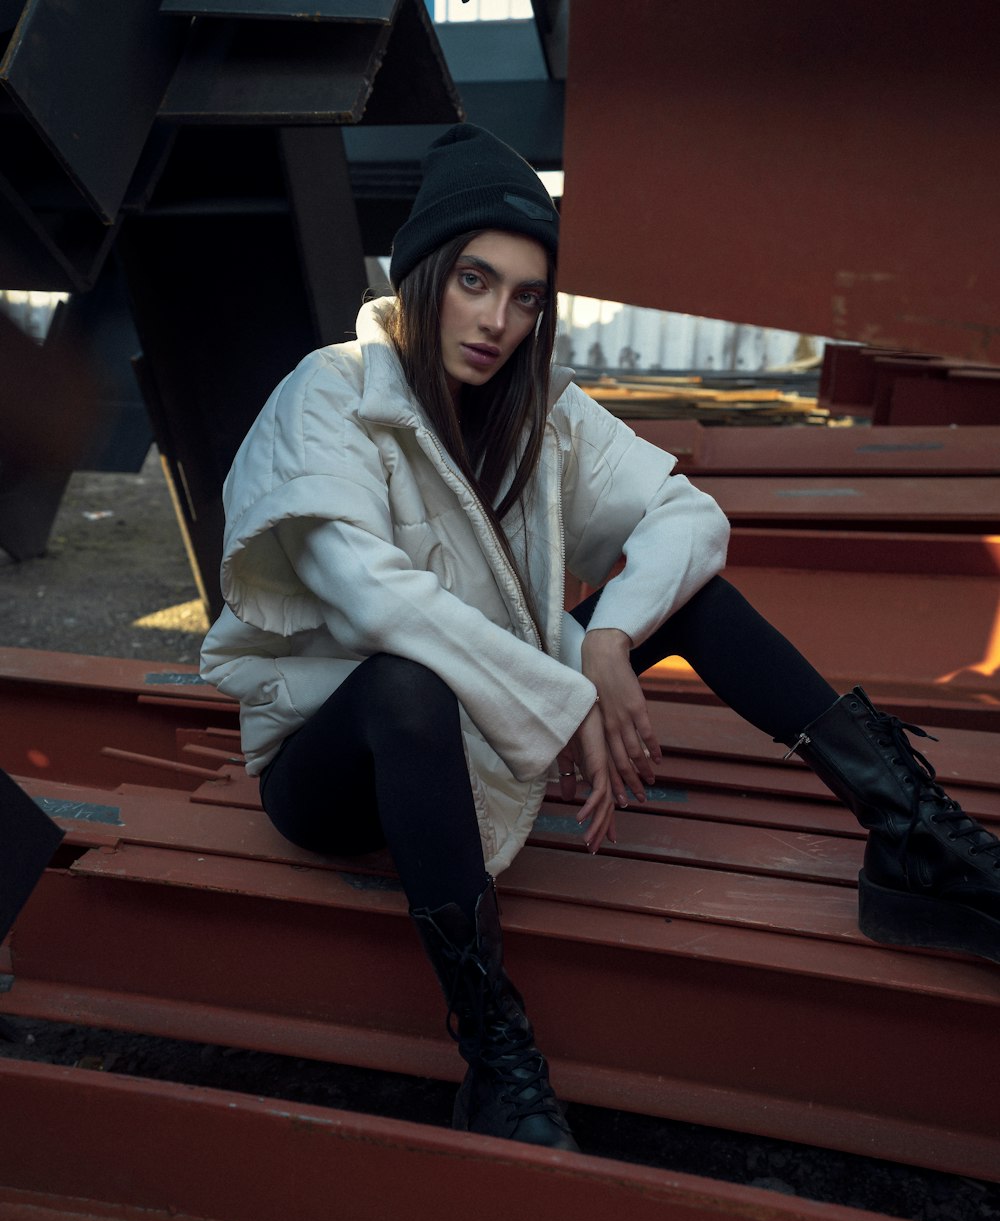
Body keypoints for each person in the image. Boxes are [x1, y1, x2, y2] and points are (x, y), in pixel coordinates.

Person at [200, 124, 1000, 1154]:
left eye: (526, 296)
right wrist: (573, 694)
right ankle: (494, 1046)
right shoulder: (330, 392)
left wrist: (609, 634)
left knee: (689, 597)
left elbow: (690, 520)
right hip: (339, 768)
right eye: (475, 281)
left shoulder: (541, 418)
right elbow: (371, 599)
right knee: (404, 680)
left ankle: (914, 838)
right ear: (423, 275)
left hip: (496, 729)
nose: (497, 320)